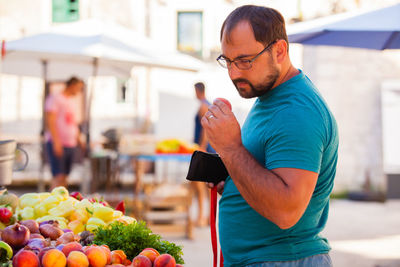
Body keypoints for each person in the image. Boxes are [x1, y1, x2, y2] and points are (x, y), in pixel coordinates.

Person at [201, 5, 338, 267]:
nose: (234, 73)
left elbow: (286, 211)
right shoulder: (271, 95)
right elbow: (267, 174)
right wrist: (234, 180)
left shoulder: (296, 112)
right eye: (227, 61)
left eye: (244, 61)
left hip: (284, 260)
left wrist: (230, 149)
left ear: (279, 51)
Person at [45, 77, 85, 190]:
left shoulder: (71, 102)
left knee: (64, 177)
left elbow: (73, 123)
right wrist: (56, 142)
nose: (79, 91)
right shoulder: (55, 98)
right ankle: (50, 204)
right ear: (72, 85)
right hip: (58, 143)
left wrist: (79, 139)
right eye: (79, 88)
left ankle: (62, 203)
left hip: (70, 144)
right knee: (58, 176)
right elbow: (50, 121)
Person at [192, 82, 215, 227]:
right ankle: (207, 218)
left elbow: (205, 130)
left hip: (204, 149)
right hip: (208, 149)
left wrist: (201, 147)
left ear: (198, 91)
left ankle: (201, 217)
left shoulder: (203, 106)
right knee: (207, 187)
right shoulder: (208, 104)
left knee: (199, 185)